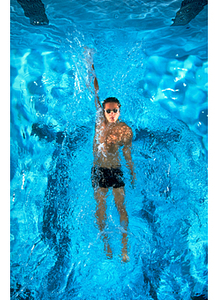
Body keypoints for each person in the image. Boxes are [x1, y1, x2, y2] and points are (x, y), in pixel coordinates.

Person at [88, 54, 136, 262]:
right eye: (108, 111)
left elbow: (127, 152)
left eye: (115, 110)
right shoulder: (100, 120)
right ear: (104, 111)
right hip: (99, 170)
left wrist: (132, 171)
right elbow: (95, 91)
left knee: (121, 207)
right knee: (101, 207)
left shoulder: (123, 130)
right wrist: (90, 65)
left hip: (115, 170)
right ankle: (106, 242)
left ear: (119, 110)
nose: (112, 114)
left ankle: (124, 246)